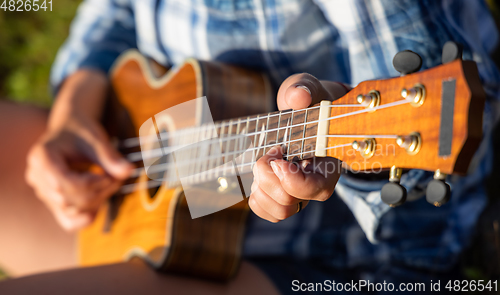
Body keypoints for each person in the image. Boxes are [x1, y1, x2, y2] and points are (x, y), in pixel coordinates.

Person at [0, 0, 499, 294]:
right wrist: (75, 102)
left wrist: (332, 132)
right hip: (144, 169)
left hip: (329, 259)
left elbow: (442, 105)